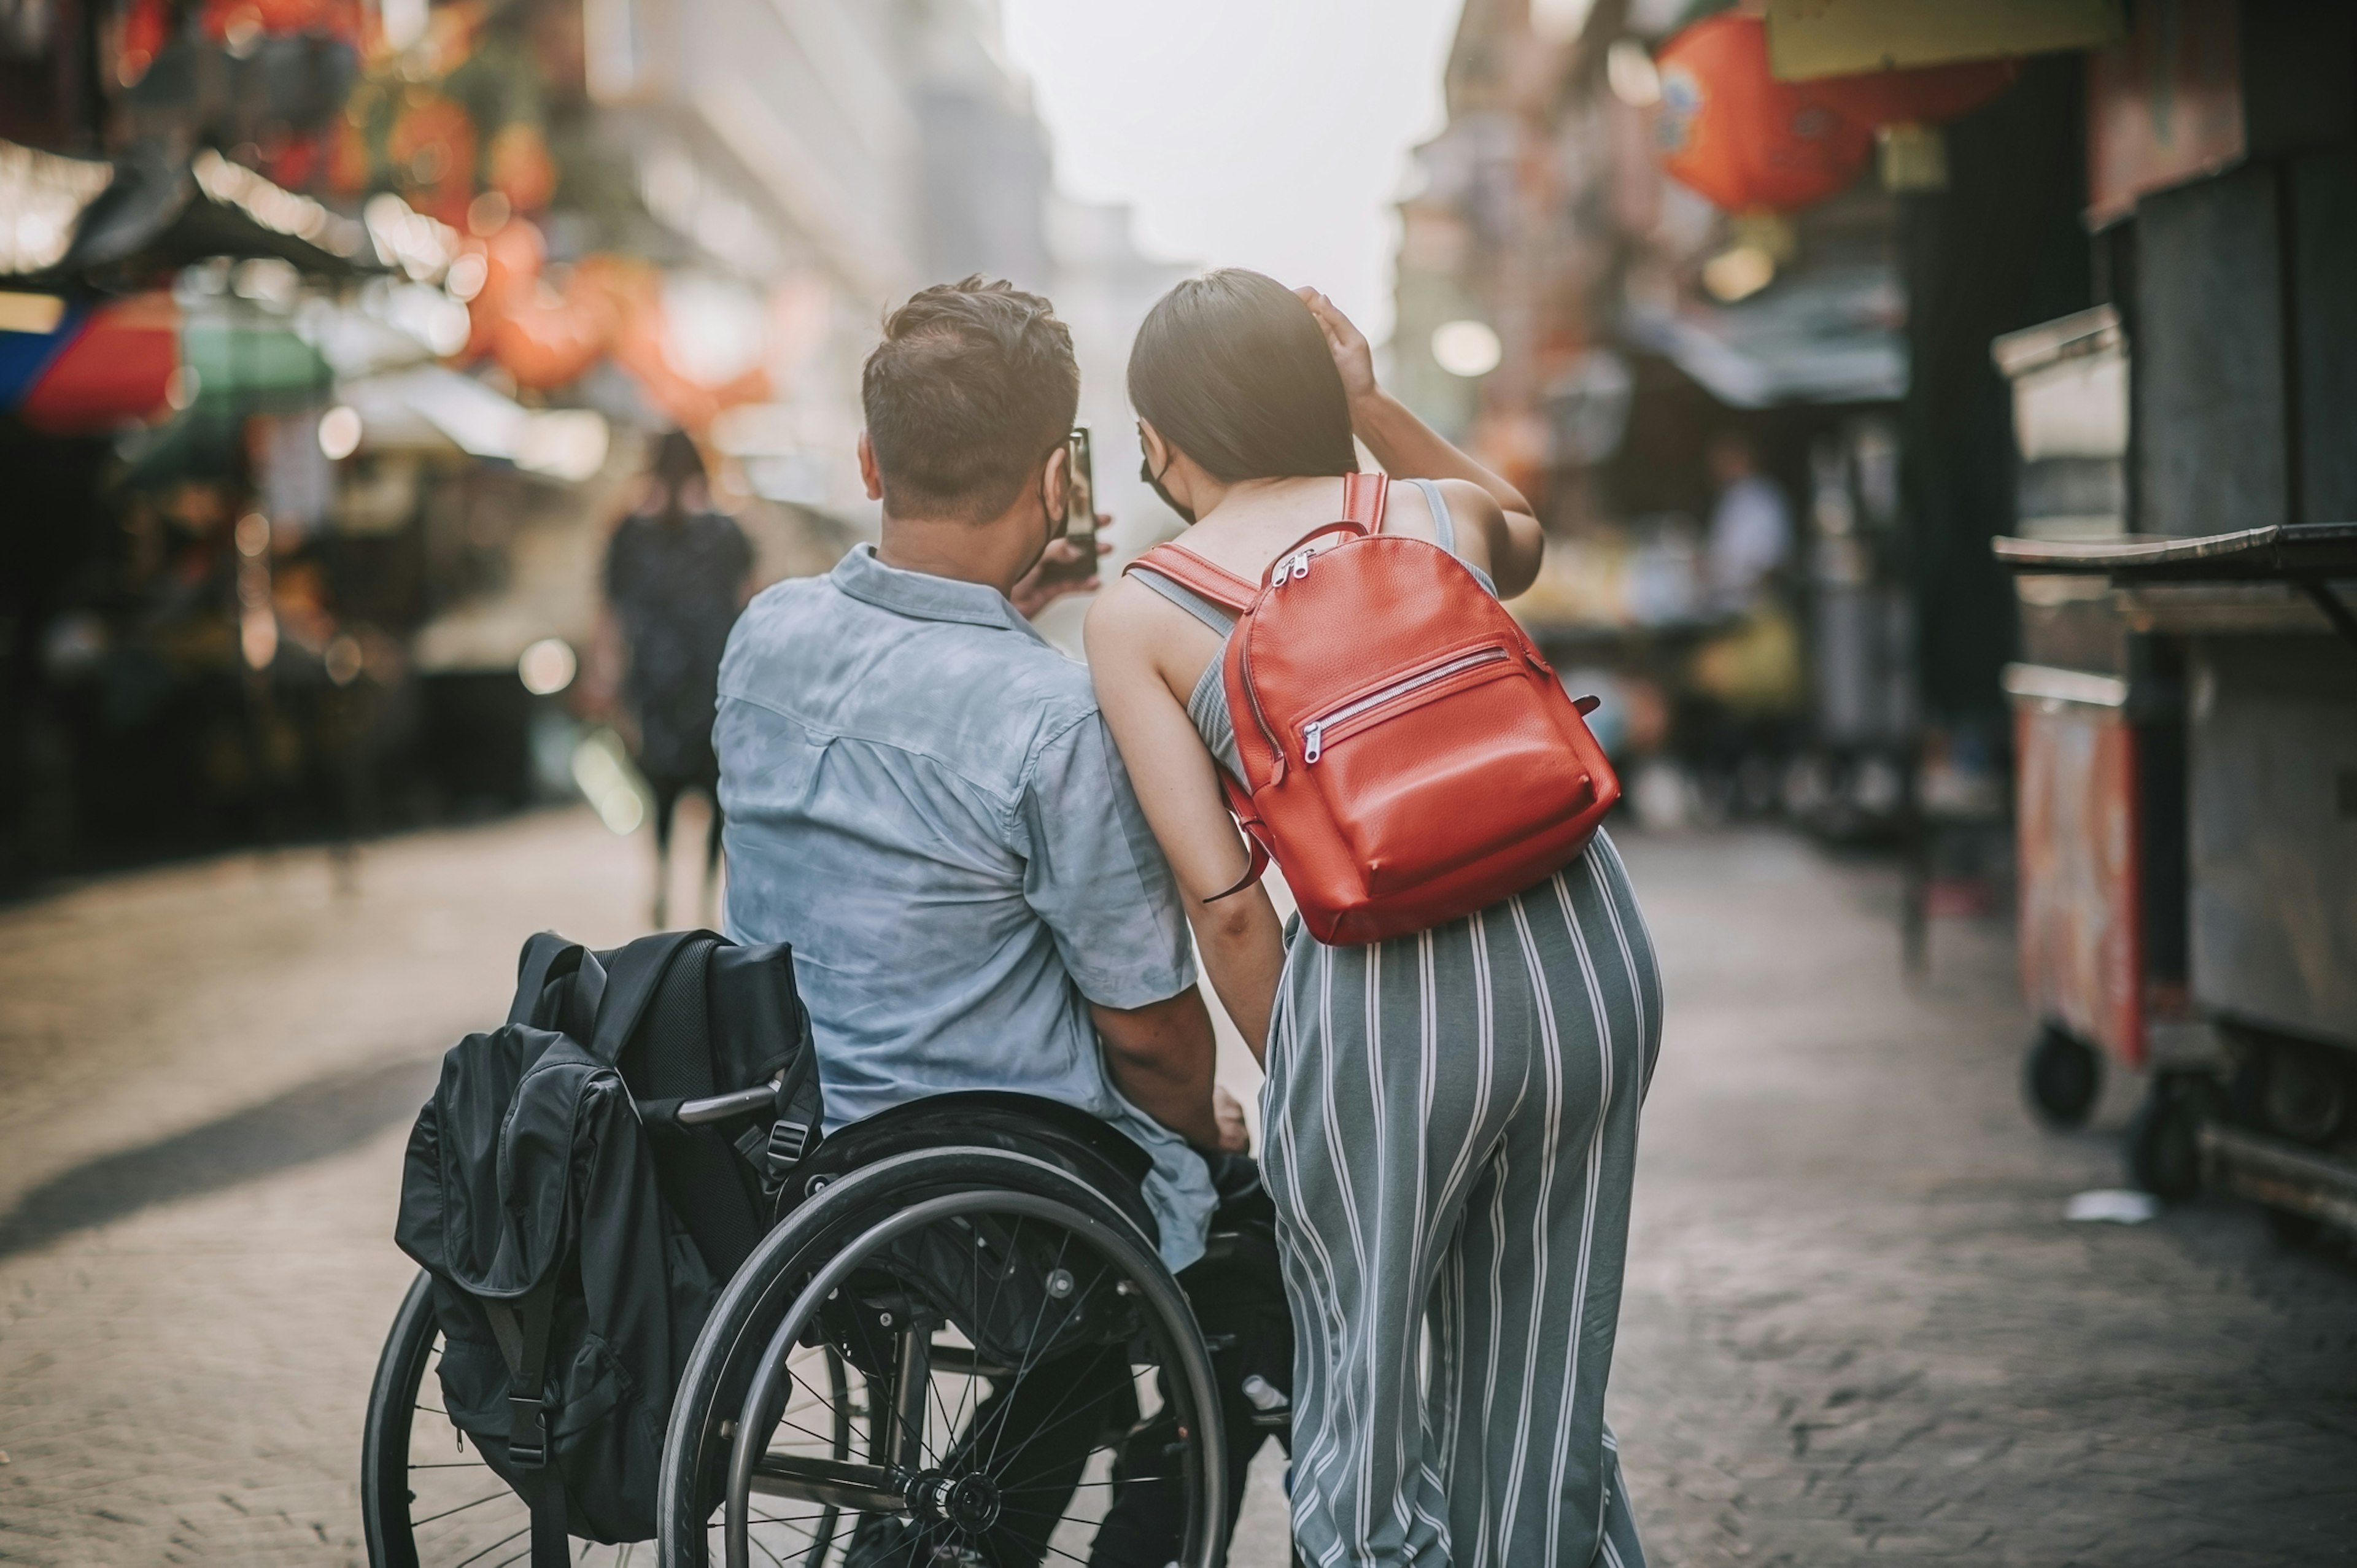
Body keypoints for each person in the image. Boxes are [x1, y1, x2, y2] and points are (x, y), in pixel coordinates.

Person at [1086, 269, 1662, 1568]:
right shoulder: (1434, 515)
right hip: (1584, 960)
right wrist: (1374, 405)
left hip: (1383, 1006)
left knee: (1364, 1407)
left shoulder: (1144, 611)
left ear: (1164, 437)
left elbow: (1228, 905)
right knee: (1540, 1399)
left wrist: (1310, 1079)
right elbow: (1524, 525)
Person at [713, 276, 1287, 1567]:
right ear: (1058, 476)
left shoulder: (764, 636)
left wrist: (1004, 614)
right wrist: (1206, 1124)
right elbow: (1148, 1034)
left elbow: (904, 700)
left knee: (1098, 1291)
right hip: (994, 1181)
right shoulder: (1057, 719)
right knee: (1245, 1260)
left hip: (791, 1150)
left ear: (870, 459)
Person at [601, 430, 753, 926]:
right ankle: (706, 896)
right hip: (714, 682)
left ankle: (663, 884)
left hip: (656, 685)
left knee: (661, 792)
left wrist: (610, 679)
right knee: (714, 795)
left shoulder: (628, 533)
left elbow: (611, 615)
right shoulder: (726, 533)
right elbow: (750, 602)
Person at [1701, 427, 1792, 613]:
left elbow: (1771, 564)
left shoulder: (1764, 498)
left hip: (1756, 610)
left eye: (1723, 461)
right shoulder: (1730, 498)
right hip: (1724, 605)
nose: (1717, 469)